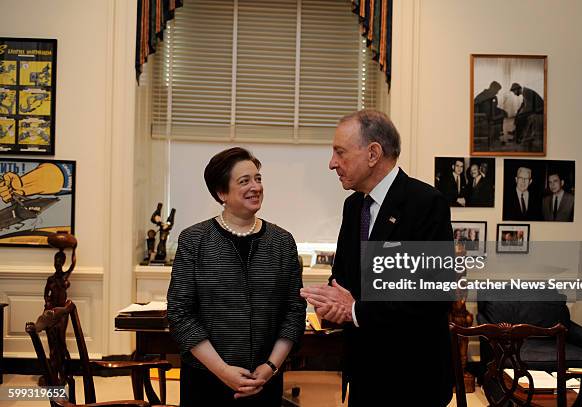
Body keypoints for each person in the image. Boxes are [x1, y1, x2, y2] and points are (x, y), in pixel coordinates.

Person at [300, 110, 454, 407]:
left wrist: (355, 310)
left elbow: (432, 296)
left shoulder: (425, 204)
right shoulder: (354, 206)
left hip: (412, 380)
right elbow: (343, 277)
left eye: (340, 152)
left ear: (373, 153)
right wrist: (330, 302)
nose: (332, 163)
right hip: (363, 373)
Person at [167, 147, 306, 407]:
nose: (256, 186)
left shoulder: (282, 241)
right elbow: (180, 313)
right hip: (206, 379)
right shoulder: (194, 240)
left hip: (264, 379)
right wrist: (222, 370)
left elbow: (294, 311)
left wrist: (271, 367)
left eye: (258, 178)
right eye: (244, 181)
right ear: (222, 193)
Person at [510, 82, 544, 147]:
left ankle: (518, 138)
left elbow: (528, 106)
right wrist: (518, 111)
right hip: (535, 109)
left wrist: (521, 113)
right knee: (518, 115)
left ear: (517, 89)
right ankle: (516, 134)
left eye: (513, 92)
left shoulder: (526, 92)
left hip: (539, 110)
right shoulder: (525, 91)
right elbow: (523, 104)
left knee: (521, 118)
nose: (514, 94)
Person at [474, 81, 505, 149]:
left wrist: (501, 110)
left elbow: (492, 107)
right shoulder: (484, 96)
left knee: (502, 113)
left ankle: (496, 134)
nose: (497, 92)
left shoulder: (489, 95)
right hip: (482, 117)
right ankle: (494, 136)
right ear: (492, 88)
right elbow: (476, 106)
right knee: (500, 115)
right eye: (497, 90)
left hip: (487, 115)